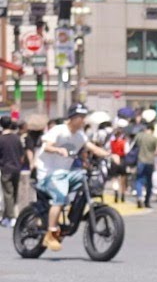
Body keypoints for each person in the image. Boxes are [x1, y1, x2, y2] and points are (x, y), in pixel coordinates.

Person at [36, 104, 111, 252]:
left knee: (85, 177)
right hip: (48, 173)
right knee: (60, 196)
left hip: (65, 173)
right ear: (72, 118)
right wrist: (58, 149)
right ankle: (51, 234)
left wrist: (109, 155)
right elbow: (47, 147)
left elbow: (91, 148)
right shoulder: (59, 130)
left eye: (84, 117)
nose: (83, 120)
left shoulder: (80, 135)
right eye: (80, 117)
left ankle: (72, 215)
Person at [0, 116, 23, 228]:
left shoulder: (1, 139)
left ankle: (11, 217)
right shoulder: (17, 138)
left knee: (8, 194)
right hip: (17, 168)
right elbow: (21, 154)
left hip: (6, 169)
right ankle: (5, 217)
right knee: (13, 193)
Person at [132, 122, 157, 208]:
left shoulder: (140, 136)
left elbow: (133, 145)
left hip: (140, 161)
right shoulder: (154, 138)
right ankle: (147, 201)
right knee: (149, 182)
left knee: (139, 180)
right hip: (150, 162)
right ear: (152, 130)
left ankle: (139, 197)